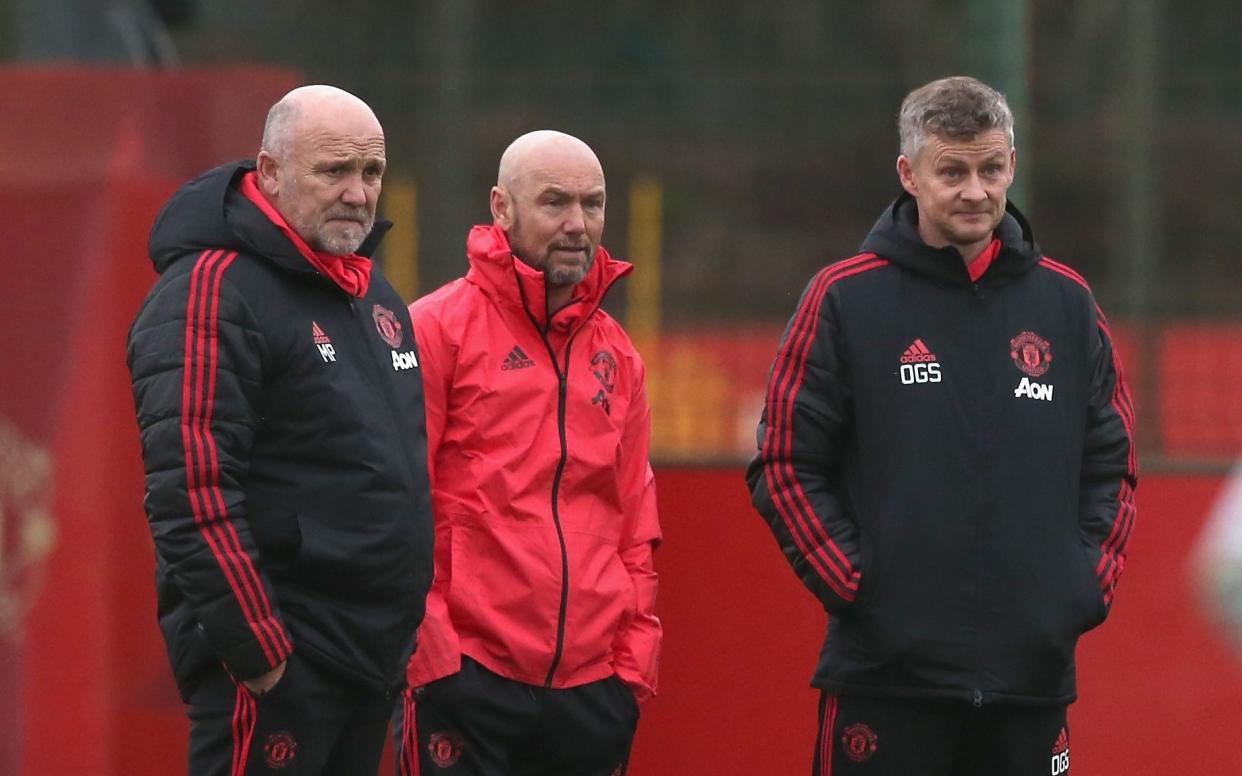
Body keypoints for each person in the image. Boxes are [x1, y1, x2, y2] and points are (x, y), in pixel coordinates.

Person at [746, 76, 1137, 776]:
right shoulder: (843, 299)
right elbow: (782, 461)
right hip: (886, 681)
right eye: (952, 171)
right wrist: (859, 587)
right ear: (910, 174)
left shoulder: (1069, 305)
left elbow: (1113, 464)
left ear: (1012, 165)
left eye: (991, 169)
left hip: (1030, 684)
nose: (976, 191)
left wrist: (1078, 586)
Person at [127, 84, 434, 775]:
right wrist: (263, 657)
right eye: (334, 172)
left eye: (372, 172)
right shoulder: (211, 287)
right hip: (281, 672)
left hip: (369, 665)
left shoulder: (373, 296)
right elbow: (190, 494)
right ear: (269, 173)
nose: (358, 193)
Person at [394, 130, 661, 776]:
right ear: (501, 207)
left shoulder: (618, 354)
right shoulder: (433, 331)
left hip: (594, 691)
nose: (578, 224)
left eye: (592, 204)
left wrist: (633, 665)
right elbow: (400, 506)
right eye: (554, 203)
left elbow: (636, 523)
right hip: (467, 678)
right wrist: (433, 658)